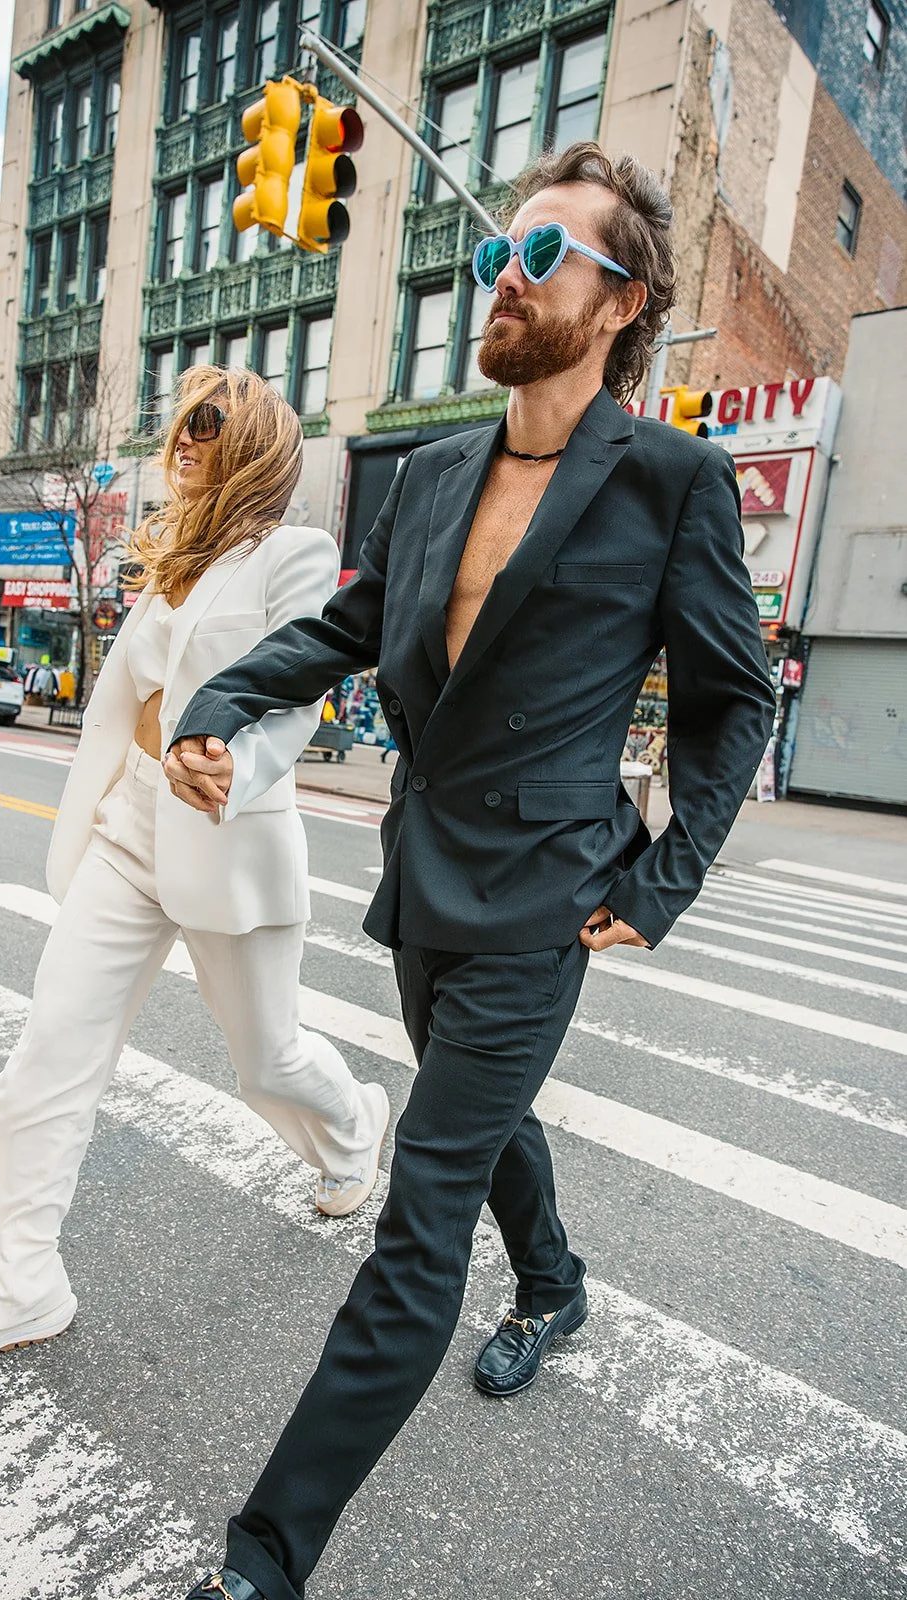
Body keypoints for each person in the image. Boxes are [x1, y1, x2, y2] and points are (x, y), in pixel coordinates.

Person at [164, 143, 776, 1600]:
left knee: (420, 1208)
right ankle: (554, 1282)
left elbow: (730, 698)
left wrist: (662, 879)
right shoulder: (436, 469)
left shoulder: (672, 481)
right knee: (477, 1113)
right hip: (423, 877)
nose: (502, 274)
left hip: (545, 897)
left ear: (619, 305)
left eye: (542, 253)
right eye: (501, 249)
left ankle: (261, 1562)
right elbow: (346, 631)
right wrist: (215, 705)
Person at [0, 365, 389, 1391]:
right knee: (47, 1058)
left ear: (257, 443)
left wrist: (237, 765)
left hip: (227, 834)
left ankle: (351, 1128)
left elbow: (298, 687)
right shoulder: (171, 560)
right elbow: (124, 703)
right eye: (182, 423)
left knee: (267, 1060)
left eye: (211, 421)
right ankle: (8, 1287)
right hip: (128, 828)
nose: (187, 438)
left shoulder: (295, 554)